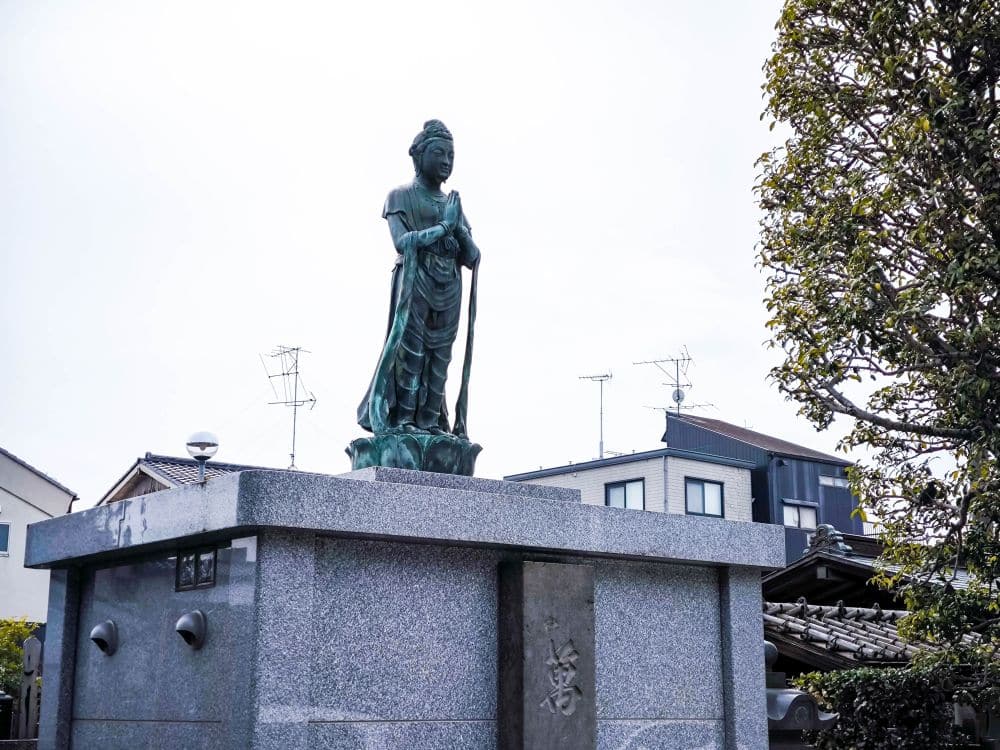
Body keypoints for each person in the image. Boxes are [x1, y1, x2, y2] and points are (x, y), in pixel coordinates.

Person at [357, 120, 480, 437]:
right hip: (415, 282)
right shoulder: (400, 196)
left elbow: (472, 256)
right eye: (439, 153)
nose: (446, 161)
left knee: (441, 355)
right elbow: (402, 242)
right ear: (418, 155)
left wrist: (459, 232)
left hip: (449, 284)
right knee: (410, 351)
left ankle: (431, 421)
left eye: (451, 155)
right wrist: (442, 229)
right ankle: (406, 420)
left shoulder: (451, 202)